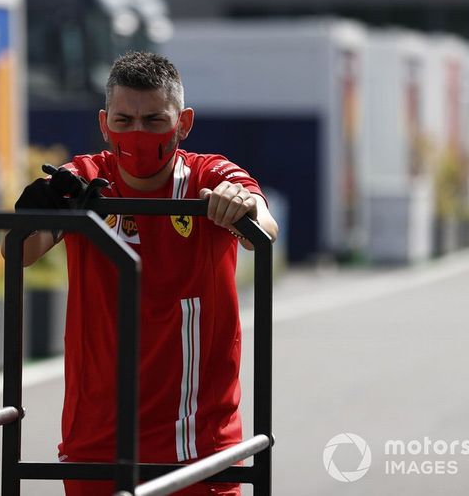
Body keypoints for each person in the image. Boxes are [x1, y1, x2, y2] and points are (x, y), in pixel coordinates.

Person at [14, 51, 278, 496]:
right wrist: (30, 215)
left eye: (154, 120)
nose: (136, 134)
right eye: (124, 120)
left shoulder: (208, 176)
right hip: (96, 442)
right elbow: (20, 255)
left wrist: (243, 205)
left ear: (184, 122)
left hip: (200, 446)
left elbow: (263, 230)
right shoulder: (84, 179)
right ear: (103, 122)